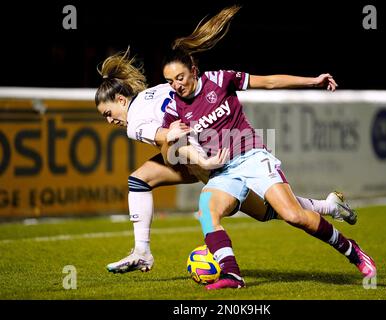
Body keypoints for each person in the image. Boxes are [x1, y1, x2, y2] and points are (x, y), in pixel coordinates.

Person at [161, 5, 375, 290]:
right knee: (207, 209)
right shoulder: (174, 107)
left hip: (250, 157)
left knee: (292, 216)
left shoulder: (220, 80)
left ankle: (352, 250)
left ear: (194, 71)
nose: (175, 85)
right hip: (222, 170)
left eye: (180, 78)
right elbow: (167, 152)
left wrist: (312, 80)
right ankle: (232, 275)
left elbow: (270, 82)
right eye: (169, 81)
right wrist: (172, 139)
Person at [94, 48, 357, 274]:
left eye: (108, 113)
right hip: (202, 152)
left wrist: (185, 148)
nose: (109, 121)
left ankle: (143, 251)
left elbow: (166, 136)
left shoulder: (134, 123)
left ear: (120, 99)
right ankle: (329, 207)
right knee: (140, 180)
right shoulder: (156, 91)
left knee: (269, 211)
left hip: (210, 156)